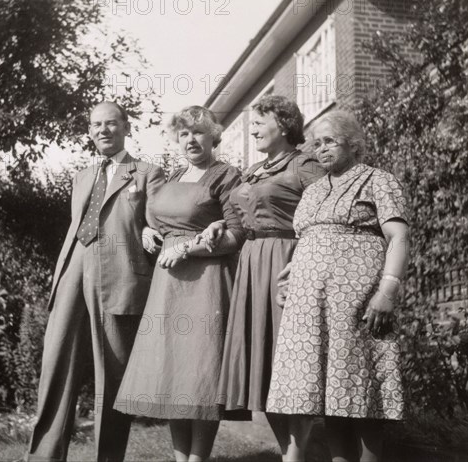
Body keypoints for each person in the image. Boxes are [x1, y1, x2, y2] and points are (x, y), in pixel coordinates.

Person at [266, 110, 409, 462]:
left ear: (355, 145)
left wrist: (386, 291)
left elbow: (399, 237)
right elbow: (309, 241)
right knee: (331, 399)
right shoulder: (314, 190)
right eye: (317, 143)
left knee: (362, 397)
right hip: (310, 308)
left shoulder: (378, 181)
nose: (321, 149)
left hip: (356, 302)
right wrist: (290, 278)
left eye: (330, 141)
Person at [26, 101, 166, 462]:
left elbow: (156, 221)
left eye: (111, 124)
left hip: (119, 275)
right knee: (56, 364)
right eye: (96, 125)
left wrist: (150, 229)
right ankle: (44, 457)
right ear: (89, 131)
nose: (103, 130)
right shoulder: (82, 175)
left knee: (113, 378)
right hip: (74, 268)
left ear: (126, 127)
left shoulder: (148, 173)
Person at [114, 106, 245, 462]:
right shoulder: (171, 176)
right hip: (167, 284)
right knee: (172, 370)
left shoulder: (226, 175)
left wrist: (188, 250)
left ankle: (198, 459)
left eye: (198, 132)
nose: (191, 139)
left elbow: (236, 234)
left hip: (205, 283)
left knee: (201, 371)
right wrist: (147, 229)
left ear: (213, 136)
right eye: (184, 133)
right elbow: (153, 216)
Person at [205, 94, 325, 462]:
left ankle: (296, 455)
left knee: (290, 363)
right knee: (266, 366)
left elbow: (328, 220)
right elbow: (241, 226)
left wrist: (306, 264)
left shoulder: (305, 165)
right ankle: (289, 453)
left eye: (259, 121)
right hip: (252, 266)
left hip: (289, 264)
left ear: (285, 124)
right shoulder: (253, 171)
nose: (252, 128)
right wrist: (217, 225)